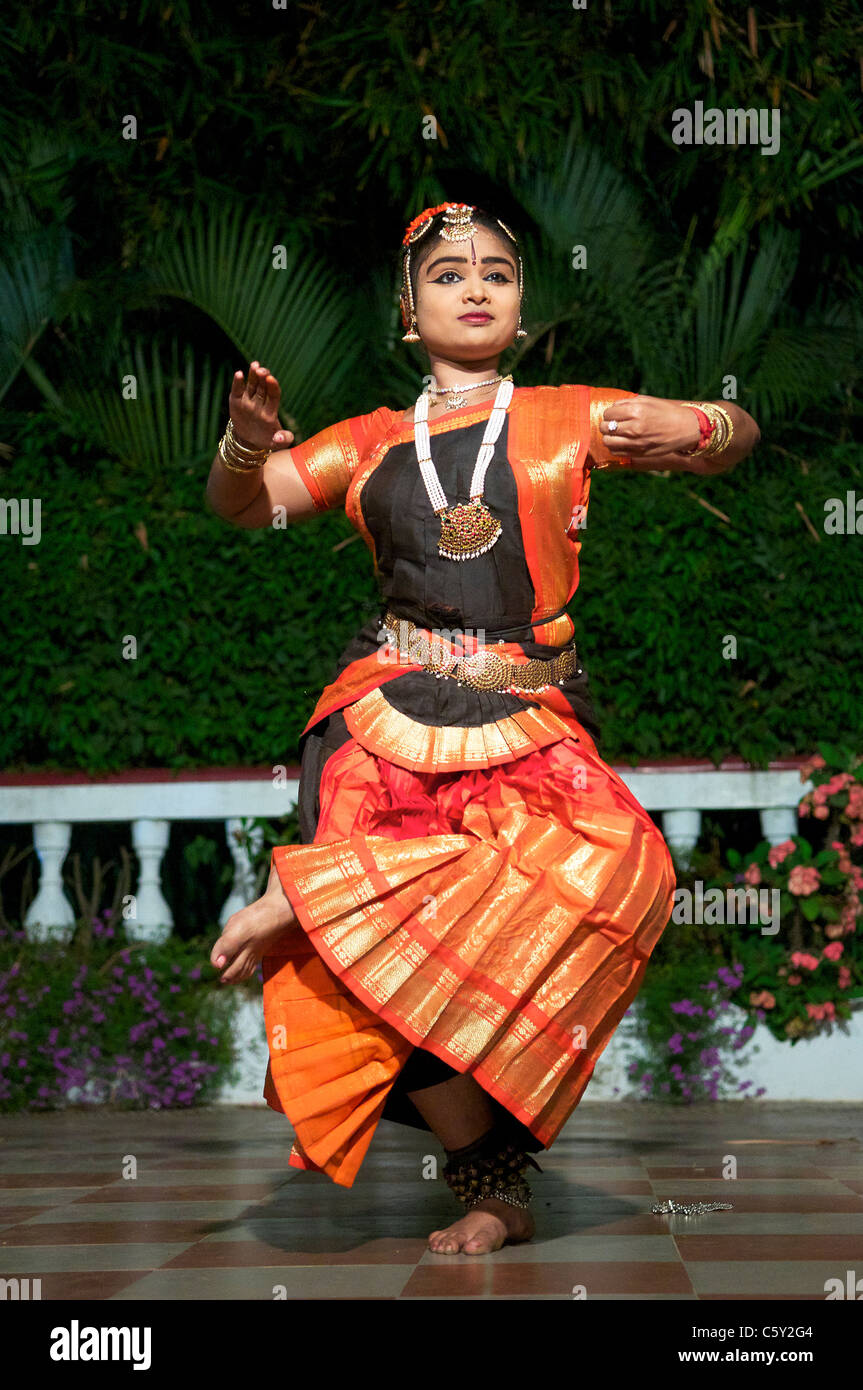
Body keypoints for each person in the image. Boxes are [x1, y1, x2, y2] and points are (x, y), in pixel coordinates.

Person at [205, 201, 761, 1256]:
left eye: (496, 274)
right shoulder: (368, 443)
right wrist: (241, 444)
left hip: (531, 715)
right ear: (408, 313)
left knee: (621, 873)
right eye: (449, 274)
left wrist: (703, 424)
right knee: (378, 969)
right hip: (389, 714)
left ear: (518, 304)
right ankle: (489, 1180)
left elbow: (731, 441)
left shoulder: (567, 414)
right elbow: (245, 503)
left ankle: (318, 894)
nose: (474, 287)